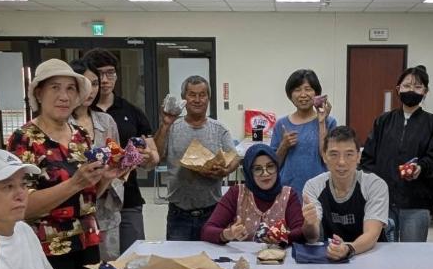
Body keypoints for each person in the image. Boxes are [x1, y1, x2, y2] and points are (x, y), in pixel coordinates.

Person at [7, 59, 121, 269]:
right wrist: (75, 184)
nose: (64, 96)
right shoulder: (24, 139)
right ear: (39, 93)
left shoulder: (81, 135)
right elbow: (24, 206)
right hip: (47, 250)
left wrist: (106, 178)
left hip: (87, 242)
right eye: (55, 87)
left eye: (70, 88)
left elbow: (86, 198)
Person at [360, 65, 433, 242]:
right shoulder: (383, 120)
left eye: (417, 86)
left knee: (412, 256)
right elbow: (368, 158)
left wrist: (420, 168)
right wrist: (371, 190)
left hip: (416, 202)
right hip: (382, 202)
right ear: (398, 89)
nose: (411, 90)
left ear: (425, 91)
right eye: (407, 86)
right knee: (381, 253)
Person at [85, 48, 159, 253]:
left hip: (129, 199)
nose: (105, 80)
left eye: (110, 73)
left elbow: (153, 157)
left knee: (133, 260)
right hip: (88, 204)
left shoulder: (132, 112)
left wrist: (147, 157)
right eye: (99, 75)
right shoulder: (80, 115)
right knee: (97, 266)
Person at [154, 75, 240, 241]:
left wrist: (225, 170)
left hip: (213, 211)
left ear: (208, 98)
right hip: (178, 212)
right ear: (184, 98)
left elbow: (234, 157)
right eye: (192, 95)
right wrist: (164, 125)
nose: (197, 100)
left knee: (213, 261)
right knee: (180, 262)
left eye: (202, 95)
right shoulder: (172, 127)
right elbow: (157, 155)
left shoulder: (219, 129)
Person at [302, 126, 389, 261]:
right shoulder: (313, 186)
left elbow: (372, 233)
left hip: (371, 257)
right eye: (334, 154)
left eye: (349, 154)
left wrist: (349, 249)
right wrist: (309, 224)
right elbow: (312, 237)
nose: (341, 162)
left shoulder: (374, 185)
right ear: (324, 156)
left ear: (358, 156)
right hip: (332, 256)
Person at [70, 57, 125, 261]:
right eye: (83, 84)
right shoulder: (62, 125)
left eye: (94, 84)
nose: (90, 91)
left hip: (106, 208)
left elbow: (116, 159)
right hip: (73, 212)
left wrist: (121, 168)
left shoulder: (106, 121)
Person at [201, 144, 305, 245]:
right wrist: (227, 234)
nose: (265, 173)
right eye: (258, 169)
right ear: (248, 172)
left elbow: (301, 232)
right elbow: (207, 231)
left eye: (270, 166)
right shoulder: (236, 194)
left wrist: (282, 237)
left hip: (278, 259)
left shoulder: (288, 195)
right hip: (240, 259)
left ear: (277, 168)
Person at [270, 69, 337, 195]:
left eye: (308, 89)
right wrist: (284, 146)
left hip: (320, 190)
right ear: (290, 95)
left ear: (316, 93)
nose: (303, 94)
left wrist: (321, 122)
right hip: (288, 191)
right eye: (297, 90)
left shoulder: (329, 122)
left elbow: (328, 158)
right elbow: (273, 165)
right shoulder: (281, 124)